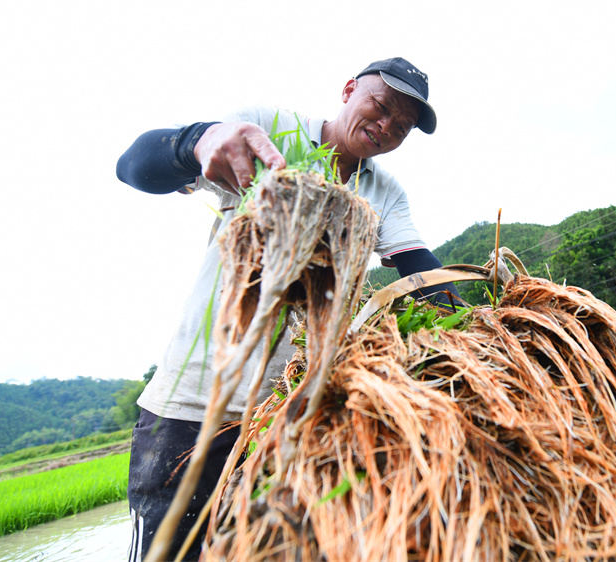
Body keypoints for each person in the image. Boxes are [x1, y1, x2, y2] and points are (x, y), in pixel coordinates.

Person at [116, 57, 458, 561]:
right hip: (195, 409)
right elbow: (134, 167)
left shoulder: (382, 192)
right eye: (380, 107)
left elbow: (419, 271)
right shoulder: (269, 130)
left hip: (291, 415)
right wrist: (198, 141)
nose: (386, 127)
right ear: (348, 90)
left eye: (402, 127)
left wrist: (477, 327)